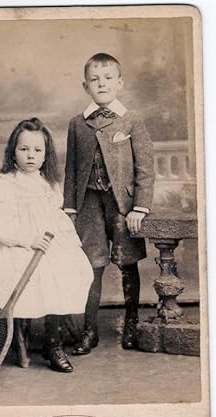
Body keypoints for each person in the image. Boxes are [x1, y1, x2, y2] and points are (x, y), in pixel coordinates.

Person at [0, 117, 93, 373]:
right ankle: (52, 345)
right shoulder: (2, 186)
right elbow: (0, 226)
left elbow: (55, 216)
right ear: (13, 152)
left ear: (45, 155)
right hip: (11, 245)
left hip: (45, 242)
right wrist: (28, 240)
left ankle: (53, 343)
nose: (30, 155)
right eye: (24, 149)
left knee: (68, 265)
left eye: (37, 150)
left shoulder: (48, 185)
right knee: (42, 273)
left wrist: (61, 238)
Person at [63, 53, 155, 355]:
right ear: (85, 86)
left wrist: (139, 207)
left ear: (120, 83)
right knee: (91, 265)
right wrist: (70, 207)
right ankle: (89, 331)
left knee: (127, 262)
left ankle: (131, 323)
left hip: (123, 205)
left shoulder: (131, 120)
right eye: (94, 79)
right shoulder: (78, 124)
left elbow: (145, 167)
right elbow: (72, 170)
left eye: (107, 78)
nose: (101, 84)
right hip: (89, 203)